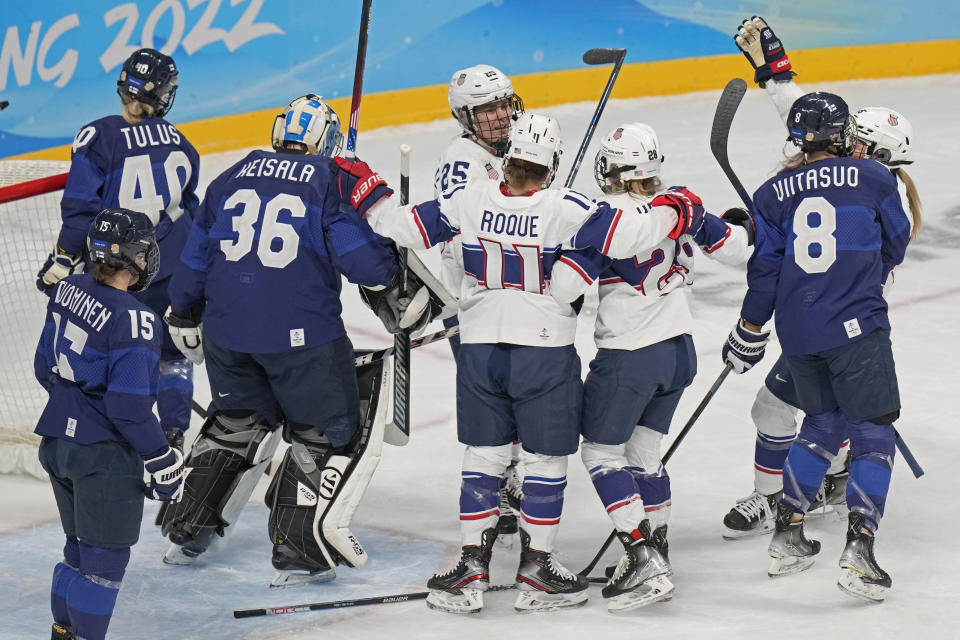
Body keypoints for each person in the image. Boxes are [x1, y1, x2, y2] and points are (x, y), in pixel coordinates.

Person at [334, 112, 705, 613]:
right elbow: (621, 239)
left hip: (480, 348)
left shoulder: (469, 198)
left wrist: (365, 184)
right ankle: (540, 573)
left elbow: (398, 226)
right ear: (551, 165)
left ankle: (469, 570)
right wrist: (676, 210)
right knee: (546, 462)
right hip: (545, 353)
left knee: (483, 457)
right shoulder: (566, 205)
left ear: (507, 160)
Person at [160, 94, 436, 587]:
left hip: (226, 333)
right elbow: (364, 265)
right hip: (301, 338)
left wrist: (183, 309)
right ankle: (297, 545)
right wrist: (391, 264)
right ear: (324, 140)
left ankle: (189, 528)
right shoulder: (328, 182)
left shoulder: (233, 174)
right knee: (325, 432)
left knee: (236, 422)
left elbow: (197, 252)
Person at [722, 16, 923, 539]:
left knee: (798, 414)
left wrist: (765, 236)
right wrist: (775, 73)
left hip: (832, 320)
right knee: (805, 414)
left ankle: (788, 499)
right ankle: (819, 480)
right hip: (827, 317)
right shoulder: (866, 177)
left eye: (857, 138)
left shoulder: (873, 186)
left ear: (869, 150)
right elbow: (806, 122)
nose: (847, 139)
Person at [549, 123, 753, 611]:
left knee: (600, 454)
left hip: (629, 357)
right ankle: (656, 550)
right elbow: (739, 251)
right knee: (644, 453)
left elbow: (564, 288)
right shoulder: (681, 205)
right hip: (679, 351)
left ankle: (640, 555)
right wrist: (749, 224)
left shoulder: (608, 220)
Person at [36, 48, 200, 452]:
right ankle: (172, 433)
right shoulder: (181, 141)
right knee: (170, 357)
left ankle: (115, 433)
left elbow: (79, 213)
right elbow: (192, 208)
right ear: (163, 94)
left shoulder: (97, 137)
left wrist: (62, 258)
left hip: (117, 275)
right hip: (172, 270)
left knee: (111, 354)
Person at [36, 208, 185, 640]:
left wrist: (74, 406)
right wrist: (160, 457)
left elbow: (43, 366)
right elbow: (129, 408)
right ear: (138, 256)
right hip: (101, 457)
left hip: (56, 444)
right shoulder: (135, 318)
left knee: (77, 552)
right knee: (103, 566)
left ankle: (63, 635)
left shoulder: (66, 289)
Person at [438, 64, 526, 544]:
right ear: (465, 116)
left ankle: (510, 480)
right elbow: (456, 232)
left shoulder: (513, 146)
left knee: (516, 397)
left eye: (501, 104)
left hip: (511, 303)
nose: (498, 116)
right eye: (485, 109)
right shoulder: (462, 160)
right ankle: (491, 494)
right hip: (473, 304)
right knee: (492, 407)